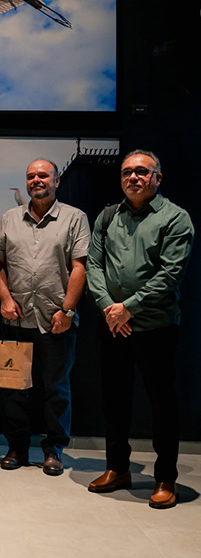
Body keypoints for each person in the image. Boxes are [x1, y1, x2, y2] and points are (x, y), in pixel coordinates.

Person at [86, 150, 194, 509]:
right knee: (114, 400)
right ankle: (118, 469)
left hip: (155, 326)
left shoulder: (176, 219)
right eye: (127, 172)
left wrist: (127, 308)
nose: (133, 177)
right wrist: (108, 308)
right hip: (112, 326)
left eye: (141, 172)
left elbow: (170, 274)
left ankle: (166, 477)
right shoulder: (106, 217)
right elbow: (94, 266)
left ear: (157, 178)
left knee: (162, 404)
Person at [0, 159, 90, 476]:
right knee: (13, 387)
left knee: (55, 389)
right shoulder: (9, 218)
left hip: (55, 320)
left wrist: (67, 310)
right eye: (31, 176)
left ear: (56, 181)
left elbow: (79, 266)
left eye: (43, 175)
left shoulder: (75, 218)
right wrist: (5, 298)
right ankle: (17, 448)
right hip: (16, 318)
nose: (37, 180)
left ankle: (53, 450)